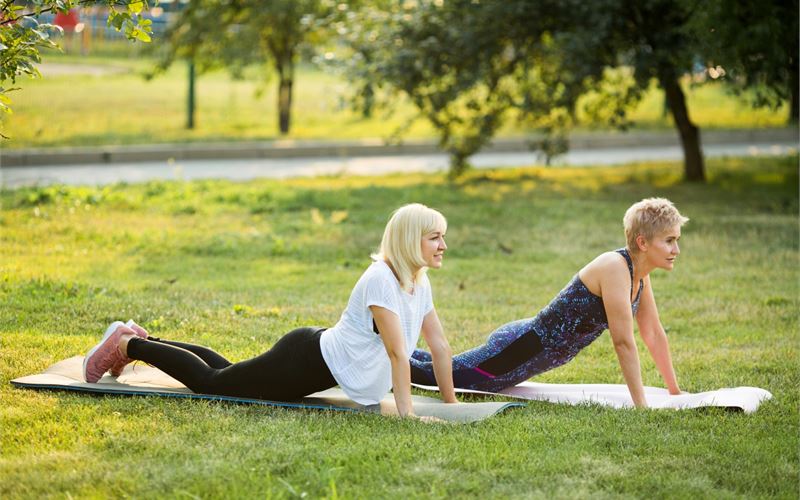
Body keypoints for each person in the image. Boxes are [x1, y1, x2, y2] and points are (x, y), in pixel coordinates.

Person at [83, 203, 458, 418]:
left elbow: (439, 346)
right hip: (305, 358)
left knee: (226, 372)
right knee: (213, 385)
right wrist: (406, 416)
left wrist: (451, 402)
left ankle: (141, 338)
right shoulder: (381, 279)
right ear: (411, 241)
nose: (443, 245)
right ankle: (129, 345)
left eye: (442, 236)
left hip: (312, 354)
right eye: (434, 237)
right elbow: (396, 352)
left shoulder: (417, 281)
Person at [411, 197, 687, 408]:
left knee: (447, 367)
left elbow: (652, 333)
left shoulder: (639, 275)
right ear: (643, 242)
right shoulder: (615, 267)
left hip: (532, 355)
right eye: (669, 241)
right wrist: (641, 406)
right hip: (520, 348)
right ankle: (387, 349)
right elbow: (623, 342)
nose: (676, 250)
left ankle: (398, 348)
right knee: (436, 377)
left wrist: (673, 390)